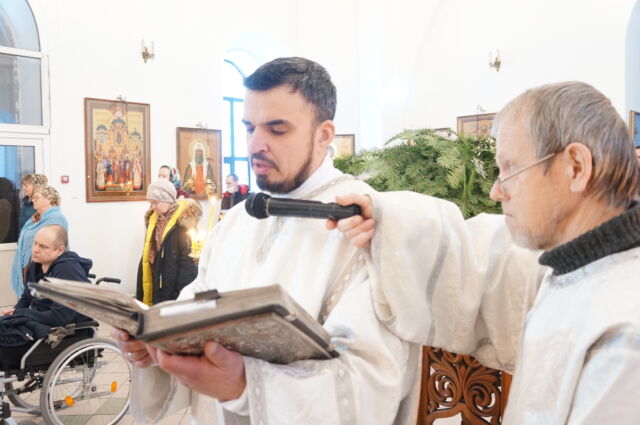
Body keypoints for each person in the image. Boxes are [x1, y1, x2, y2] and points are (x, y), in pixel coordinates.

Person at [114, 57, 419, 425]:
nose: (256, 144)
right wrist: (155, 341)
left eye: (277, 129)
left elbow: (372, 381)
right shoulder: (239, 219)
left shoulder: (364, 223)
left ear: (324, 135)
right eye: (249, 128)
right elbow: (199, 298)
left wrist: (248, 386)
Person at [332, 81, 640, 424]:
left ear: (576, 168)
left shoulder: (624, 334)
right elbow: (477, 255)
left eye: (510, 168)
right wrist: (386, 222)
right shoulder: (571, 265)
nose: (496, 191)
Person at [0, 225, 92, 363]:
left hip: (68, 331)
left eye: (43, 246)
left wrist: (22, 313)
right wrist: (14, 311)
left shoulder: (67, 270)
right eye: (35, 243)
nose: (35, 249)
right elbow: (26, 298)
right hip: (45, 321)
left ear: (60, 250)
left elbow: (60, 317)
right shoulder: (36, 265)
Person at [136, 179, 202, 305]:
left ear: (167, 199)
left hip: (174, 282)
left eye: (155, 202)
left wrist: (183, 289)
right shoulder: (153, 219)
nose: (153, 207)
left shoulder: (184, 222)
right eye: (151, 203)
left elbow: (188, 260)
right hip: (156, 275)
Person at [10, 184, 68, 298]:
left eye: (37, 197)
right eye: (33, 198)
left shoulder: (56, 219)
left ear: (49, 199)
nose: (32, 200)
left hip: (43, 269)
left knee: (39, 301)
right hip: (30, 267)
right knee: (27, 300)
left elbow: (52, 244)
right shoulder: (35, 218)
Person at [0, 177, 19, 243]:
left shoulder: (4, 203)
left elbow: (2, 229)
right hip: (9, 242)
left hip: (4, 244)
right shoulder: (12, 200)